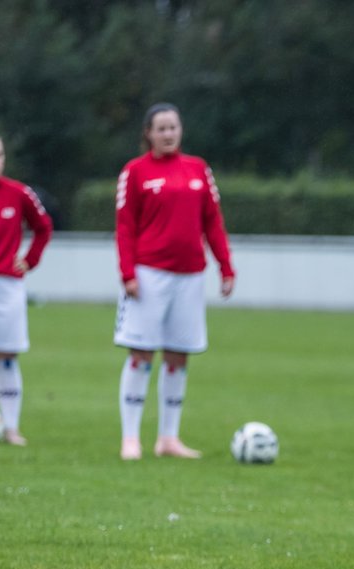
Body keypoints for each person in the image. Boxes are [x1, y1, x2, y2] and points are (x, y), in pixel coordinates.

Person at [114, 102, 235, 460]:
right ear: (148, 133)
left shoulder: (198, 169)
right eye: (161, 128)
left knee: (179, 355)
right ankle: (131, 437)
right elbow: (124, 226)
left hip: (190, 275)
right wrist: (127, 273)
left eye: (173, 127)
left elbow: (213, 221)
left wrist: (225, 266)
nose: (168, 134)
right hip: (149, 274)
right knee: (140, 352)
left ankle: (168, 437)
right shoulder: (135, 172)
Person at [0, 132, 53, 446]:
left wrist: (31, 259)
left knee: (6, 357)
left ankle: (11, 427)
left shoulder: (19, 193)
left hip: (7, 287)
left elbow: (43, 226)